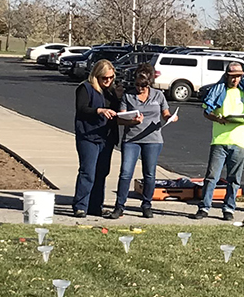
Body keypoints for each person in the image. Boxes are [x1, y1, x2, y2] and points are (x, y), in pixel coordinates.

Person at [197, 62, 244, 222]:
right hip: (219, 140)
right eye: (232, 77)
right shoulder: (219, 91)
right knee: (212, 177)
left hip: (239, 141)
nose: (235, 80)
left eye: (238, 77)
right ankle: (204, 207)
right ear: (227, 75)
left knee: (234, 179)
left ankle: (229, 208)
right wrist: (217, 118)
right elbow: (207, 112)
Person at [115, 63, 175, 218]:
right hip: (131, 139)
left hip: (153, 139)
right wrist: (132, 121)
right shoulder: (128, 96)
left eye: (143, 85)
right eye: (137, 84)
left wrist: (171, 118)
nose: (139, 88)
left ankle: (147, 205)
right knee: (126, 173)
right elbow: (119, 119)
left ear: (149, 83)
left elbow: (165, 113)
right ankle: (119, 206)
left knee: (149, 174)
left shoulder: (158, 95)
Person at [72, 60, 121, 218]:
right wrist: (99, 110)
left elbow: (119, 110)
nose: (108, 81)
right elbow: (82, 109)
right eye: (104, 78)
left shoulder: (111, 92)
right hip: (88, 136)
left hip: (106, 138)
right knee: (88, 172)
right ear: (96, 76)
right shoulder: (85, 88)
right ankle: (80, 206)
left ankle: (95, 206)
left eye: (111, 77)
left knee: (102, 172)